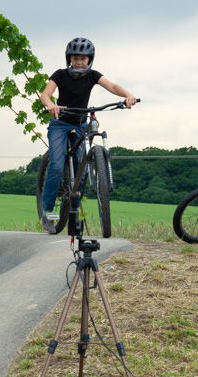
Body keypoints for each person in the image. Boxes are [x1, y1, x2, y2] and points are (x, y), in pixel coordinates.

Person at [38, 38, 137, 233]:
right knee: (56, 165)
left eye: (83, 58)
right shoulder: (60, 74)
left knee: (81, 170)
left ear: (89, 60)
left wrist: (127, 95)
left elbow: (112, 86)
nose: (79, 62)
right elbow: (45, 94)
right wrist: (50, 105)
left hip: (80, 125)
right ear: (69, 59)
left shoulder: (93, 75)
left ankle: (74, 211)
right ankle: (47, 212)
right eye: (75, 58)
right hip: (60, 124)